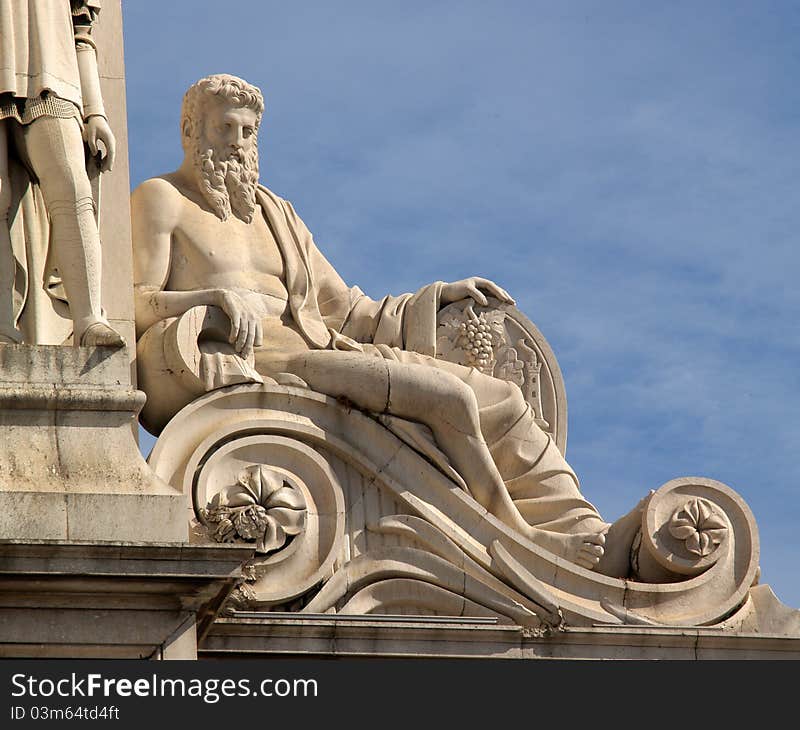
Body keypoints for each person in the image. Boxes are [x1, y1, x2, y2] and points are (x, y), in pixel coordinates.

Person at [131, 74, 644, 574]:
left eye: (247, 132)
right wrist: (210, 297)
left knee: (502, 399)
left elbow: (349, 311)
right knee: (449, 400)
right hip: (265, 363)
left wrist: (439, 298)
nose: (238, 146)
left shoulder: (275, 214)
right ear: (190, 130)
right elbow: (133, 304)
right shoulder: (162, 200)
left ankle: (583, 530)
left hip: (330, 351)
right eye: (225, 129)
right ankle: (521, 540)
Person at [0, 0, 123, 346]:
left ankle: (89, 320)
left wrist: (95, 110)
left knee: (72, 190)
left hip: (51, 72)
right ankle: (2, 329)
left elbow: (81, 28)